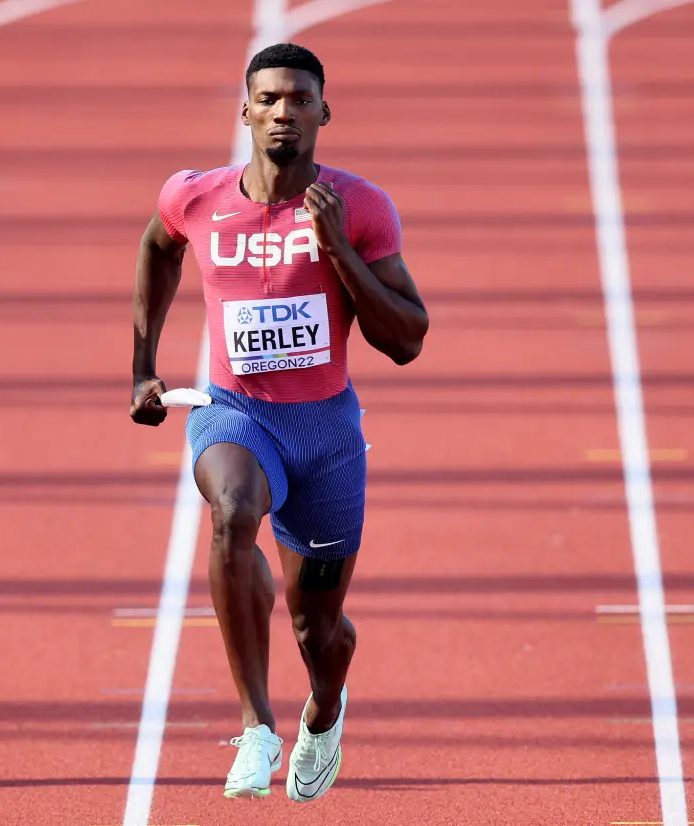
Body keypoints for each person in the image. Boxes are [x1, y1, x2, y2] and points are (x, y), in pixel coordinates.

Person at [129, 43, 428, 802]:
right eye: (268, 99)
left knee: (317, 632)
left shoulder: (359, 207)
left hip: (325, 434)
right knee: (232, 513)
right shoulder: (196, 198)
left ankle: (324, 710)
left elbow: (406, 340)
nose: (283, 112)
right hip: (237, 412)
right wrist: (143, 363)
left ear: (323, 113)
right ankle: (257, 727)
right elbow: (159, 248)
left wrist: (338, 251)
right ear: (246, 110)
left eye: (299, 99)